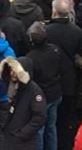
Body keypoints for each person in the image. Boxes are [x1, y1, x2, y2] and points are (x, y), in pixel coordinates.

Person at [45, 0, 82, 150]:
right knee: (65, 119)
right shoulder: (76, 31)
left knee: (50, 121)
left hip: (51, 79)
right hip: (69, 80)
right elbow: (80, 52)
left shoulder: (47, 31)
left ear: (54, 12)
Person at [26, 22, 63, 150]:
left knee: (39, 129)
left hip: (41, 97)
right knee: (51, 127)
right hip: (55, 93)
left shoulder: (31, 58)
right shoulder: (55, 49)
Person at [0, 56, 47, 150]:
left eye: (15, 71)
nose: (12, 74)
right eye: (11, 70)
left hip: (23, 142)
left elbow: (40, 117)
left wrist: (23, 134)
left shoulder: (34, 91)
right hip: (11, 137)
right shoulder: (14, 87)